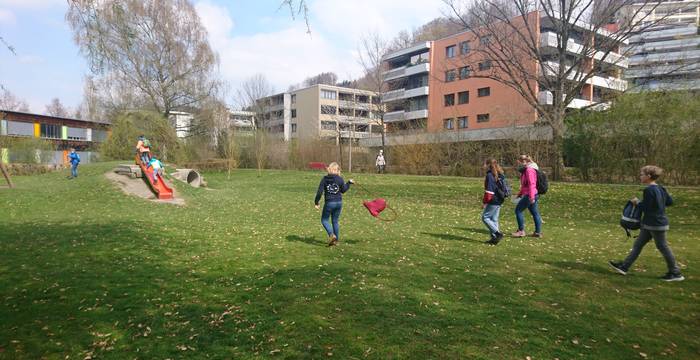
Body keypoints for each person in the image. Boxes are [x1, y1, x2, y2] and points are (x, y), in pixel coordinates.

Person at [609, 166, 684, 281]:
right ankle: (624, 267)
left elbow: (646, 208)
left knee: (663, 247)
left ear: (648, 176)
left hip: (655, 224)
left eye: (642, 174)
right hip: (650, 224)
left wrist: (637, 202)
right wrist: (658, 204)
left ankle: (675, 273)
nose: (640, 176)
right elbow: (669, 202)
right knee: (638, 245)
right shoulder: (661, 188)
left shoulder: (648, 190)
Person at [314, 162, 353, 246]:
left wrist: (316, 202)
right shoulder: (340, 179)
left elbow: (319, 192)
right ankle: (336, 241)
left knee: (324, 220)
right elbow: (343, 190)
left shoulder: (324, 179)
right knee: (335, 221)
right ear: (337, 170)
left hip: (329, 203)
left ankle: (332, 235)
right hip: (339, 203)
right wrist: (349, 183)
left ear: (330, 169)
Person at [512, 156, 542, 238]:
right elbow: (524, 185)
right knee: (534, 212)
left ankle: (521, 231)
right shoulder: (526, 170)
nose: (518, 165)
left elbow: (532, 184)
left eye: (519, 163)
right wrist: (520, 193)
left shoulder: (529, 170)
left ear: (524, 162)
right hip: (530, 194)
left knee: (518, 210)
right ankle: (537, 232)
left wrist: (531, 197)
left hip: (530, 194)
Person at [482, 158, 505, 245]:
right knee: (494, 219)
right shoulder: (500, 173)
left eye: (484, 164)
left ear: (488, 165)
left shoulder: (490, 175)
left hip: (493, 199)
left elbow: (490, 191)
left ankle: (497, 234)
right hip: (500, 199)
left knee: (485, 218)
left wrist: (485, 202)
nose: (483, 166)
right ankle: (494, 238)